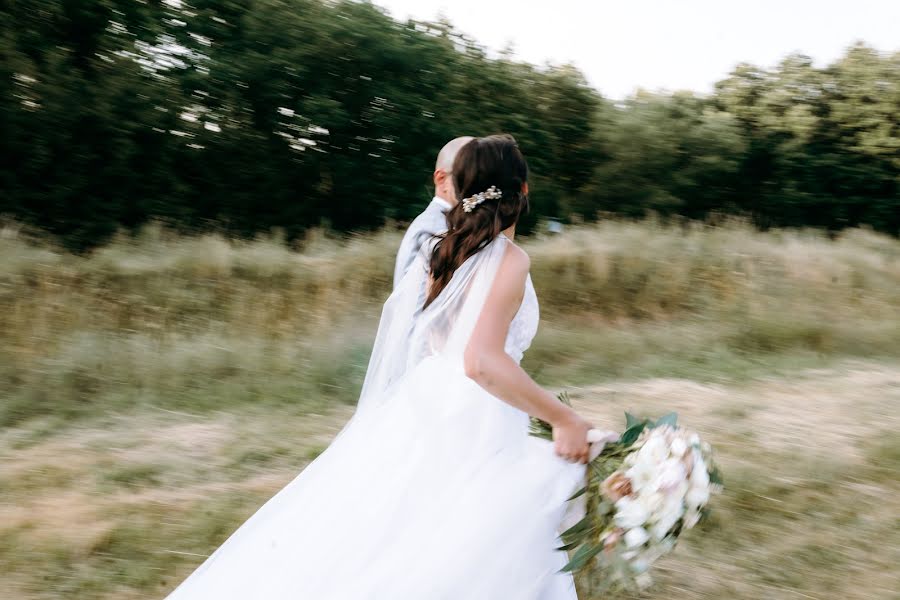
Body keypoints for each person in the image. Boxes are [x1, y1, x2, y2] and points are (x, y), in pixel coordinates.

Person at [164, 134, 595, 600]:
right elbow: (480, 360)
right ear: (524, 190)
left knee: (399, 532)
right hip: (474, 414)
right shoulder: (509, 258)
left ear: (463, 187)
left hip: (430, 399)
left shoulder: (448, 248)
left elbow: (436, 337)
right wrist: (562, 417)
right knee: (465, 540)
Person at [393, 136, 473, 288]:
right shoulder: (433, 230)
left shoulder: (449, 224)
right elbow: (415, 307)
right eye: (469, 175)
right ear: (441, 179)